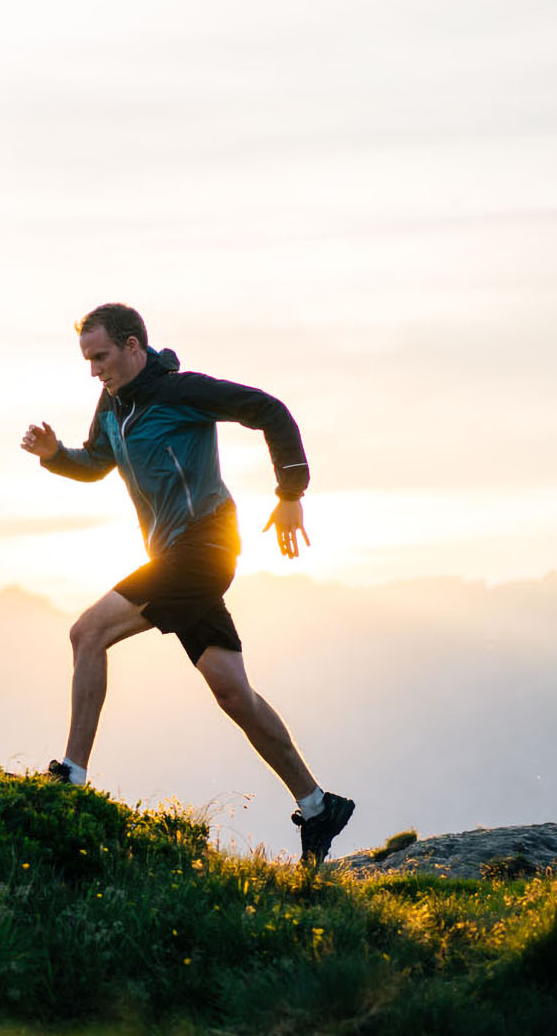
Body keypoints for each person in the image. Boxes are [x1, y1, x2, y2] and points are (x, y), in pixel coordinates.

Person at [20, 302, 354, 866]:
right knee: (232, 692)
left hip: (203, 548)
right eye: (87, 360)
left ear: (133, 346)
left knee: (87, 632)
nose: (94, 370)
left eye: (101, 356)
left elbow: (269, 410)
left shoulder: (182, 392)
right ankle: (319, 805)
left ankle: (69, 778)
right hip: (172, 555)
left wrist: (290, 494)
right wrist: (56, 456)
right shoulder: (113, 405)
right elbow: (97, 462)